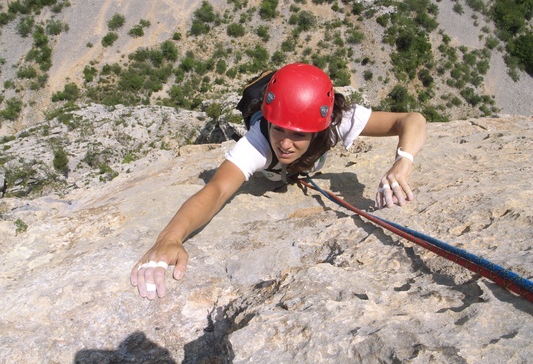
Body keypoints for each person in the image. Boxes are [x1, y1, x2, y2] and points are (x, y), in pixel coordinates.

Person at [131, 63, 426, 299]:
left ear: (320, 127)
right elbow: (217, 189)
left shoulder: (336, 119)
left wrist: (404, 160)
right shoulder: (258, 140)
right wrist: (169, 239)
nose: (285, 143)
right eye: (279, 129)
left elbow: (412, 120)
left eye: (298, 134)